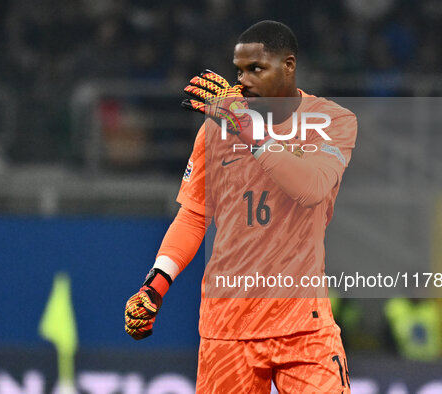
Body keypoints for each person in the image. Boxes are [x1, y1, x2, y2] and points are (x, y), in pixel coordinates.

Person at [125, 20, 357, 393]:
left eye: (256, 69)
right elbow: (194, 215)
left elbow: (311, 188)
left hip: (304, 326)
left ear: (289, 66)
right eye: (239, 70)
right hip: (227, 327)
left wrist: (248, 128)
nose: (244, 80)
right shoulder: (216, 130)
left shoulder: (332, 121)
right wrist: (155, 284)